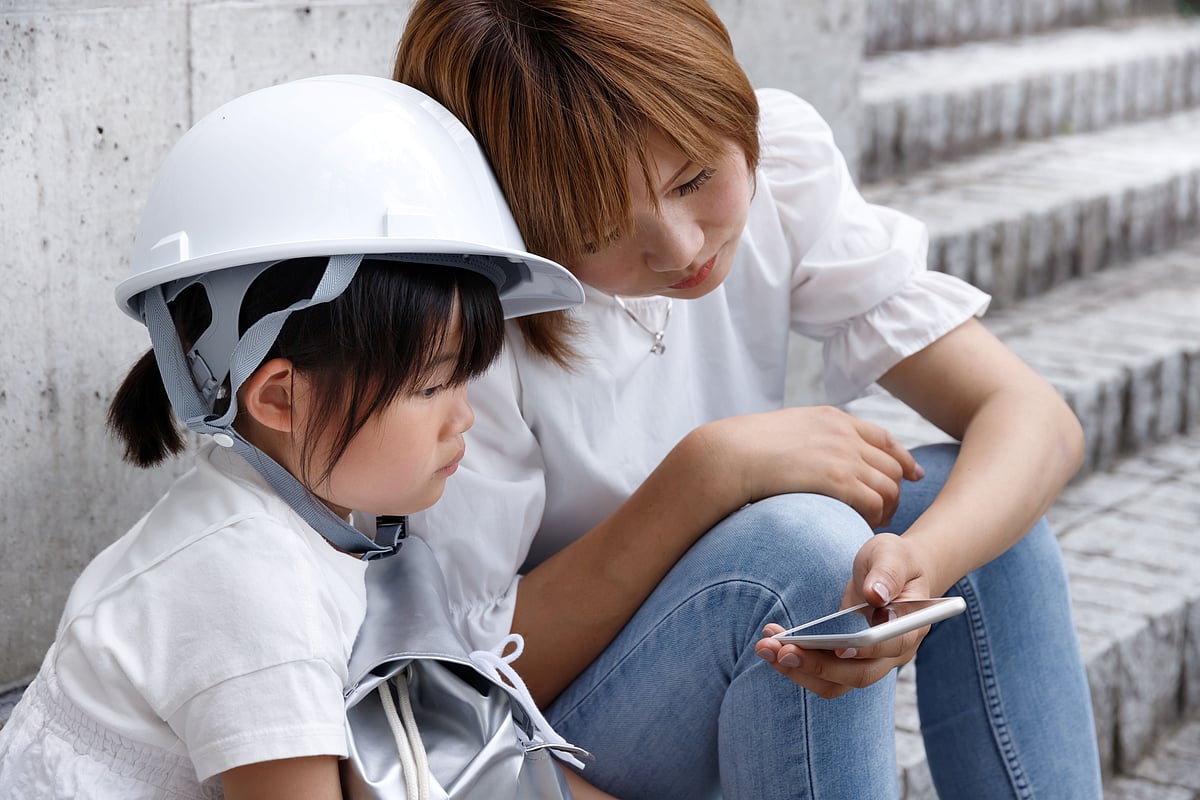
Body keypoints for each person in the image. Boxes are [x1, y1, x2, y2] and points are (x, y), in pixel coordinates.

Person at [393, 2, 1106, 798]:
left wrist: (920, 565)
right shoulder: (471, 318)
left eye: (696, 178)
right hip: (553, 732)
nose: (683, 247)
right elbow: (457, 677)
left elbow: (1034, 420)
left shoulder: (782, 165)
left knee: (975, 514)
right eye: (597, 229)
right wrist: (707, 474)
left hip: (722, 639)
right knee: (804, 546)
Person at [0, 75, 584, 799]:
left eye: (466, 381)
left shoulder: (281, 522)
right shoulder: (251, 587)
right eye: (432, 386)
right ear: (281, 397)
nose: (461, 416)